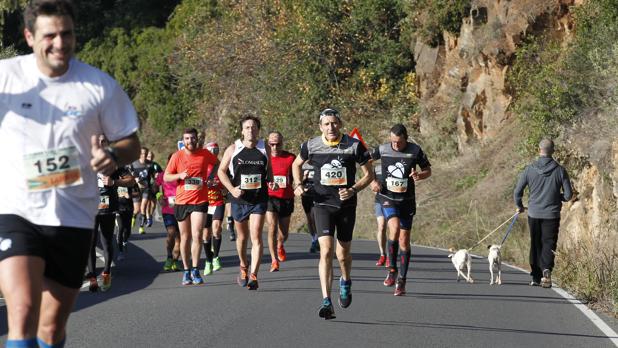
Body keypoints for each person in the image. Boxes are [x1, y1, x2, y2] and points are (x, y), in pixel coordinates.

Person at [0, 1, 140, 346]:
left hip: (73, 213)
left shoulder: (98, 85)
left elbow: (131, 144)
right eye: (50, 36)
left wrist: (110, 154)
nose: (60, 43)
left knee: (50, 327)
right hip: (15, 208)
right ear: (30, 37)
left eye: (67, 34)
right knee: (22, 311)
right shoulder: (6, 78)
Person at [292, 108, 373, 319]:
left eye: (334, 123)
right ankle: (326, 300)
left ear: (340, 124)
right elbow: (296, 164)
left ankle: (345, 280)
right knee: (326, 250)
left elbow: (370, 174)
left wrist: (353, 189)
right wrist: (298, 184)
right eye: (326, 124)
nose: (331, 127)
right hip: (322, 204)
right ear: (320, 127)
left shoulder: (354, 145)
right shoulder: (311, 145)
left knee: (342, 254)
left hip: (346, 206)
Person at [370, 124, 431, 296]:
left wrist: (420, 176)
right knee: (394, 228)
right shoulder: (382, 149)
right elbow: (365, 162)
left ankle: (402, 280)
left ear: (406, 138)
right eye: (392, 141)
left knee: (404, 241)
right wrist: (372, 181)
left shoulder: (415, 150)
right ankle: (392, 269)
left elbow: (428, 170)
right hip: (387, 198)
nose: (395, 145)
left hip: (407, 201)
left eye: (398, 142)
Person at [218, 115, 273, 290]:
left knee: (256, 235)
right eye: (247, 127)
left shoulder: (265, 148)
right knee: (242, 237)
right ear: (242, 130)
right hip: (239, 199)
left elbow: (269, 170)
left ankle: (254, 275)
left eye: (254, 127)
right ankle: (243, 265)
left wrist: (271, 180)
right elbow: (221, 171)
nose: (251, 130)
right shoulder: (233, 148)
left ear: (258, 130)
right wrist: (231, 189)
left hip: (259, 198)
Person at [514, 138, 572, 288]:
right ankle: (546, 269)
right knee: (549, 243)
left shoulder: (529, 169)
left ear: (539, 150)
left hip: (533, 213)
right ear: (553, 151)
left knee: (535, 243)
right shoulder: (560, 170)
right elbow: (568, 195)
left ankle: (535, 276)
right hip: (551, 215)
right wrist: (556, 196)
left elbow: (517, 192)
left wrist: (520, 206)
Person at [164, 128, 219, 285]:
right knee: (185, 237)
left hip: (200, 200)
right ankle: (186, 270)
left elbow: (217, 164)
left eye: (192, 138)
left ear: (197, 139)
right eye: (187, 138)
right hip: (182, 202)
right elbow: (167, 176)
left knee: (197, 234)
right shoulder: (177, 156)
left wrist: (210, 177)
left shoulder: (205, 154)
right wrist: (179, 176)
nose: (190, 141)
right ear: (183, 140)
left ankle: (195, 269)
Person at [265, 132, 296, 272]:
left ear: (282, 143)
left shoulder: (290, 158)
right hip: (270, 197)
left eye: (278, 144)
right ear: (268, 144)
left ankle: (279, 245)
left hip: (286, 198)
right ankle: (273, 260)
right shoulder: (264, 158)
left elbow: (296, 176)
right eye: (272, 144)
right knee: (272, 227)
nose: (275, 147)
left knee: (284, 233)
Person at [202, 142, 225, 275]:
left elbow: (227, 183)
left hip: (217, 202)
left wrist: (220, 185)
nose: (214, 153)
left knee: (216, 229)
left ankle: (216, 257)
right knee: (206, 234)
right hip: (205, 203)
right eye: (211, 150)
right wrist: (206, 183)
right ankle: (208, 260)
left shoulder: (221, 166)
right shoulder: (202, 166)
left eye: (216, 150)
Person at [156, 153, 181, 272]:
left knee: (180, 237)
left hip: (182, 208)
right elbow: (155, 188)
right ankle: (169, 257)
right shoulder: (162, 175)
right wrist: (159, 195)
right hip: (168, 209)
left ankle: (175, 261)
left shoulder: (183, 174)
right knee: (171, 232)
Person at [131, 147, 156, 234]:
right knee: (137, 209)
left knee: (144, 206)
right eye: (142, 154)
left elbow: (154, 176)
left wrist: (155, 182)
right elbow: (129, 175)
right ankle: (133, 216)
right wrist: (135, 179)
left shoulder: (150, 164)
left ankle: (141, 227)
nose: (144, 156)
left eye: (145, 154)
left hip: (146, 188)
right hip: (136, 188)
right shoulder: (134, 164)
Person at [115, 164, 136, 262]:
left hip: (128, 207)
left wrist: (130, 195)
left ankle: (125, 241)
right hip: (118, 208)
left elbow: (138, 193)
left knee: (127, 230)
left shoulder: (130, 181)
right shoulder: (113, 180)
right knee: (121, 228)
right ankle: (120, 252)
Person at [301, 162, 319, 253]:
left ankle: (317, 239)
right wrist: (304, 177)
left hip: (317, 195)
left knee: (314, 217)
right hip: (306, 196)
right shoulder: (301, 165)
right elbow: (298, 182)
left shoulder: (318, 162)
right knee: (310, 219)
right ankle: (313, 239)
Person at [372, 164, 388, 267]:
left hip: (394, 200)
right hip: (380, 200)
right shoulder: (376, 167)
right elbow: (372, 183)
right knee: (381, 227)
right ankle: (383, 254)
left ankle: (391, 257)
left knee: (393, 228)